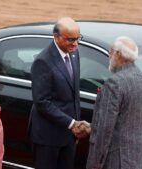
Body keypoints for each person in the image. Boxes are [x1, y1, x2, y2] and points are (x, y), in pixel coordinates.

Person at [28, 17, 89, 169]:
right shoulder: (43, 61)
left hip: (68, 136)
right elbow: (42, 102)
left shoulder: (74, 53)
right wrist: (72, 123)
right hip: (47, 137)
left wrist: (76, 123)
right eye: (70, 39)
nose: (75, 43)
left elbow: (74, 93)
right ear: (56, 36)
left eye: (77, 38)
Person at [86, 36, 142, 169]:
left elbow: (105, 127)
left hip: (116, 159)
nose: (109, 54)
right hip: (137, 158)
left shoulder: (114, 83)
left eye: (111, 51)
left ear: (118, 54)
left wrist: (96, 162)